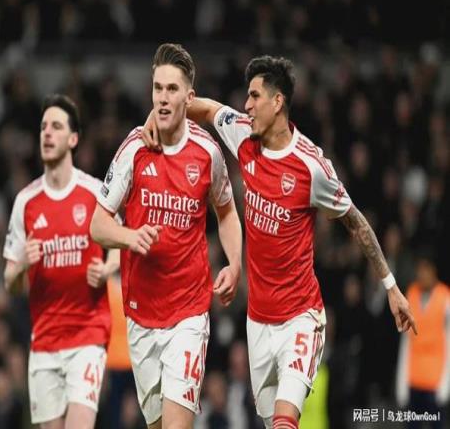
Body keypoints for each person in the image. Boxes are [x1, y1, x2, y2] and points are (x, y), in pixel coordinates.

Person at [142, 55, 417, 429]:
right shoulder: (243, 135)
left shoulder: (311, 167)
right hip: (258, 322)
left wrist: (391, 286)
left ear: (277, 102)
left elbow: (356, 223)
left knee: (285, 421)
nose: (246, 105)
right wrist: (156, 117)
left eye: (254, 96)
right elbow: (204, 108)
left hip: (300, 319)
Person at [90, 43, 242, 429]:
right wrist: (129, 237)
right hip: (141, 315)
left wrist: (235, 263)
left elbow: (226, 212)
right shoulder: (134, 149)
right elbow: (97, 224)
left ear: (189, 98)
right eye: (157, 88)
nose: (162, 97)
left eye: (172, 89)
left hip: (189, 312)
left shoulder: (207, 153)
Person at [3, 94, 119, 429]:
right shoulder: (26, 202)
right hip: (44, 341)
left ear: (73, 139)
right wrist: (22, 264)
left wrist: (108, 268)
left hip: (88, 335)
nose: (47, 134)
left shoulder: (94, 192)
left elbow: (121, 243)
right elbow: (10, 284)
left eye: (56, 127)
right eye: (43, 127)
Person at [396, 253, 449, 429]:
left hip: (435, 382)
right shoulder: (411, 294)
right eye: (419, 269)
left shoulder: (445, 298)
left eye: (425, 269)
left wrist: (445, 383)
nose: (421, 274)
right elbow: (405, 343)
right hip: (414, 380)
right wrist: (401, 382)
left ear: (433, 270)